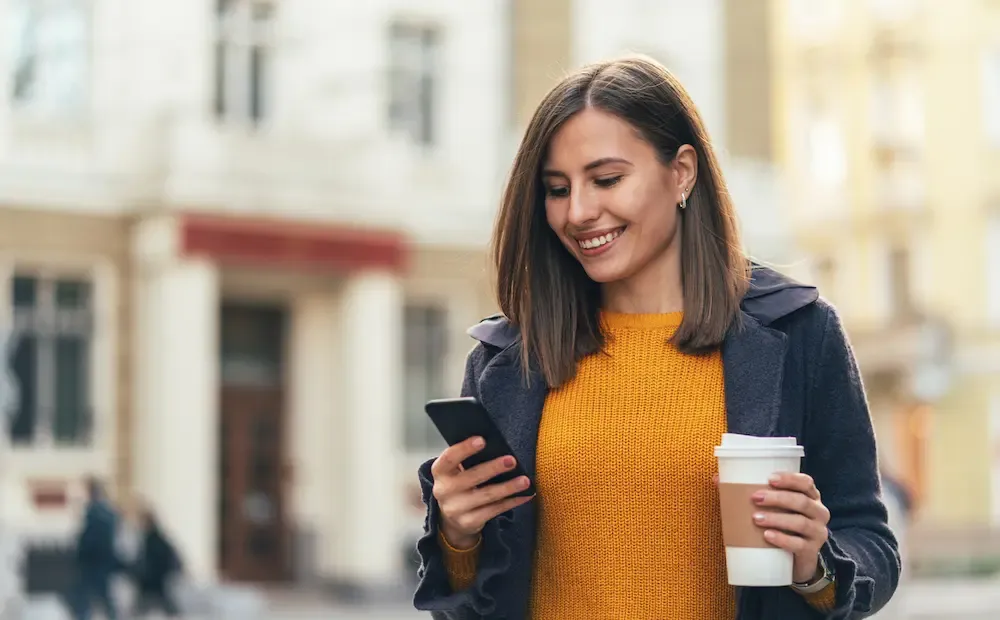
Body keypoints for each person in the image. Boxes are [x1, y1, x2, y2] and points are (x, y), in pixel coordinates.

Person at [412, 55, 900, 620]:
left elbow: (872, 546)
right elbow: (472, 603)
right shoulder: (509, 359)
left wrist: (815, 565)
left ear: (682, 172)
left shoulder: (801, 333)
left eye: (607, 179)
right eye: (555, 188)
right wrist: (457, 537)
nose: (578, 211)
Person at [71, 477, 122, 620]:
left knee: (85, 599)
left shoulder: (94, 512)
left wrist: (79, 553)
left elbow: (89, 539)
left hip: (93, 563)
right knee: (103, 599)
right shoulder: (109, 512)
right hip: (102, 563)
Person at [129, 505, 183, 617]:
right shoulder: (154, 539)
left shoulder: (152, 540)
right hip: (154, 581)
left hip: (152, 581)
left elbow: (152, 560)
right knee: (165, 606)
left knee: (143, 609)